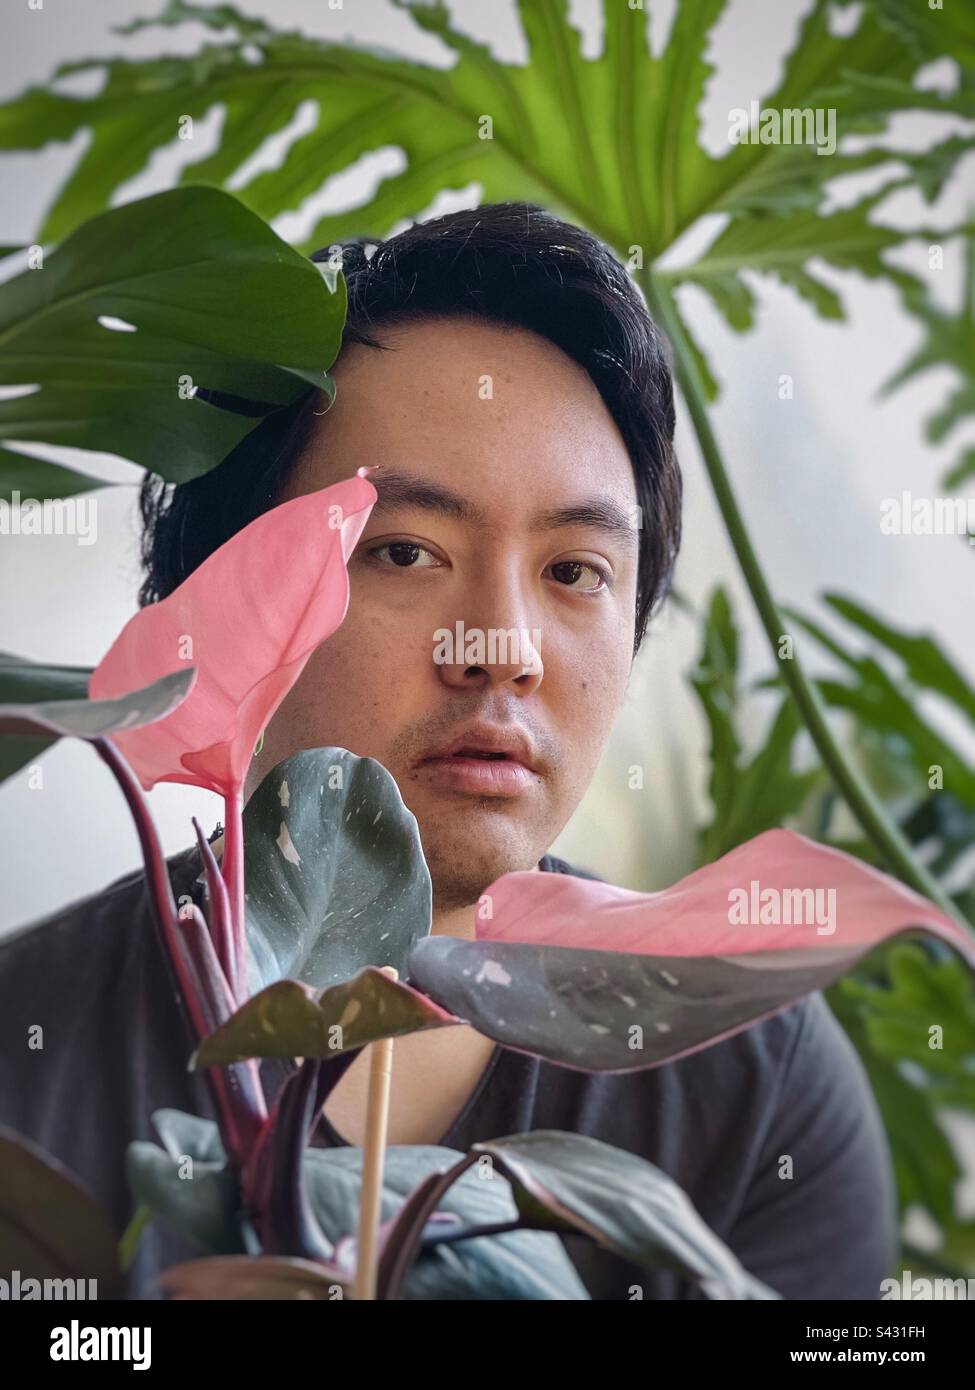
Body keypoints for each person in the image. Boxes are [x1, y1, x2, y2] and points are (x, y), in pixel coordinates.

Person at [0, 202, 896, 1300]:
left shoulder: (756, 1084)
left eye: (574, 571)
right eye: (407, 551)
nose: (502, 649)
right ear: (230, 596)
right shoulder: (23, 1056)